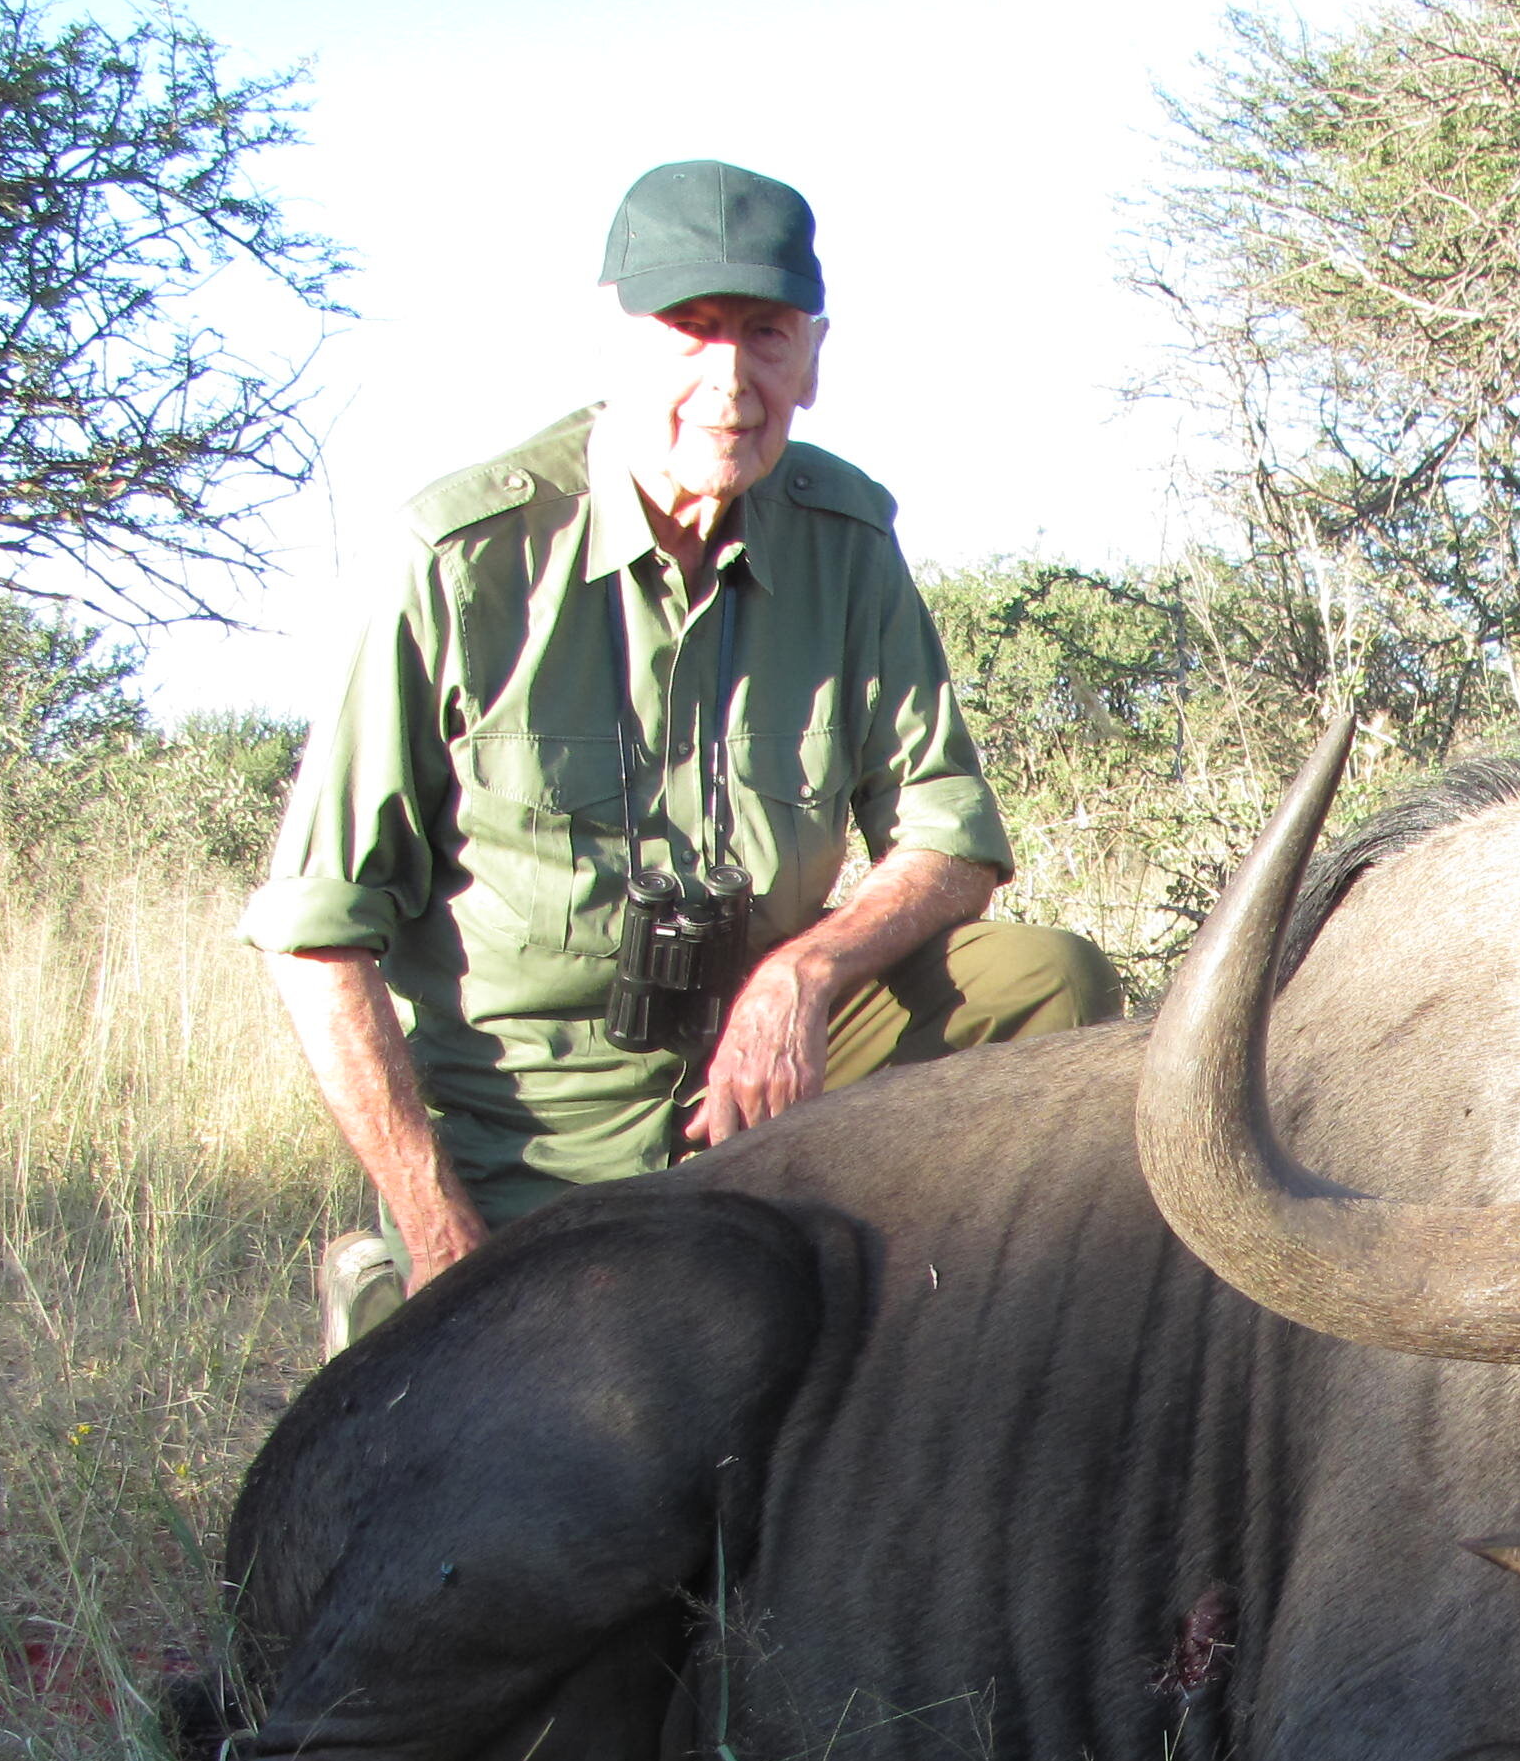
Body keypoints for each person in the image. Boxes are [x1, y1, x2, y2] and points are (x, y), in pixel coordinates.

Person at [243, 159, 1121, 1353]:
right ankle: (409, 1298)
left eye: (765, 335)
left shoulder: (847, 539)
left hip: (778, 1089)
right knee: (576, 1467)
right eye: (690, 331)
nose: (730, 383)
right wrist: (446, 1236)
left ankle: (955, 1346)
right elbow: (315, 940)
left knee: (1046, 981)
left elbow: (952, 844)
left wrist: (799, 980)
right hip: (548, 1127)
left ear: (815, 356)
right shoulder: (458, 560)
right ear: (613, 345)